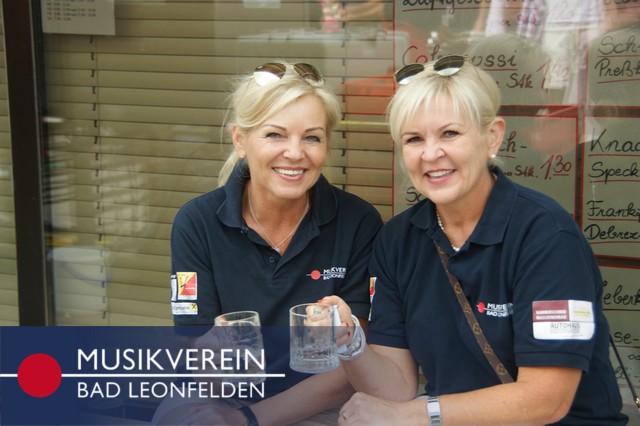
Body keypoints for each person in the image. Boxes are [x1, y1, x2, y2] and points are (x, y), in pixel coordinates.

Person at [322, 55, 628, 425]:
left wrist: (417, 414)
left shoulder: (546, 235)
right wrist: (349, 341)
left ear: (493, 136)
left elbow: (547, 400)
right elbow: (396, 388)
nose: (431, 154)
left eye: (450, 133)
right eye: (414, 139)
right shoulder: (398, 239)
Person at [162, 61, 383, 425]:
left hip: (319, 406)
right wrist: (211, 362)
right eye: (275, 135)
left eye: (312, 137)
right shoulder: (197, 222)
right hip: (219, 399)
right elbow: (198, 357)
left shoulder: (358, 222)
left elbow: (352, 366)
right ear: (240, 139)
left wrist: (250, 420)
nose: (295, 153)